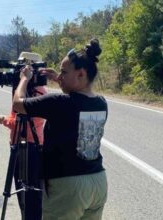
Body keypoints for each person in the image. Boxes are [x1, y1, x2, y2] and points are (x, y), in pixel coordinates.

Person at [12, 39, 108, 220]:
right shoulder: (101, 103)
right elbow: (77, 100)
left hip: (68, 186)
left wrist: (24, 79)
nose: (60, 76)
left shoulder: (59, 103)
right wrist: (59, 79)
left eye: (64, 72)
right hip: (97, 181)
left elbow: (18, 104)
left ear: (80, 74)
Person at [0, 84, 46, 220]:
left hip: (32, 147)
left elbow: (26, 123)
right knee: (22, 192)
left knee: (32, 195)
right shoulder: (21, 89)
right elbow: (17, 117)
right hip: (19, 146)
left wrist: (3, 119)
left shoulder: (38, 91)